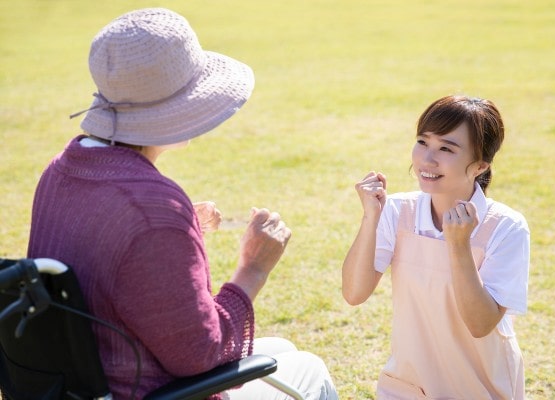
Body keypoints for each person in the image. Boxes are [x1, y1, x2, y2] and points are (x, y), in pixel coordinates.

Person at [28, 8, 337, 400]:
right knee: (309, 369)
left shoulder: (62, 169)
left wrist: (179, 223)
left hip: (85, 386)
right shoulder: (153, 211)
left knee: (284, 352)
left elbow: (110, 256)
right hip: (149, 391)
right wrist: (254, 268)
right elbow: (200, 355)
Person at [342, 95, 529, 399]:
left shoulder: (506, 227)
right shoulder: (398, 210)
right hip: (407, 384)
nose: (426, 160)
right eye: (422, 142)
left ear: (480, 165)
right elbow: (354, 293)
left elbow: (480, 324)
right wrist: (370, 217)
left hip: (479, 386)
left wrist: (458, 246)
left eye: (446, 148)